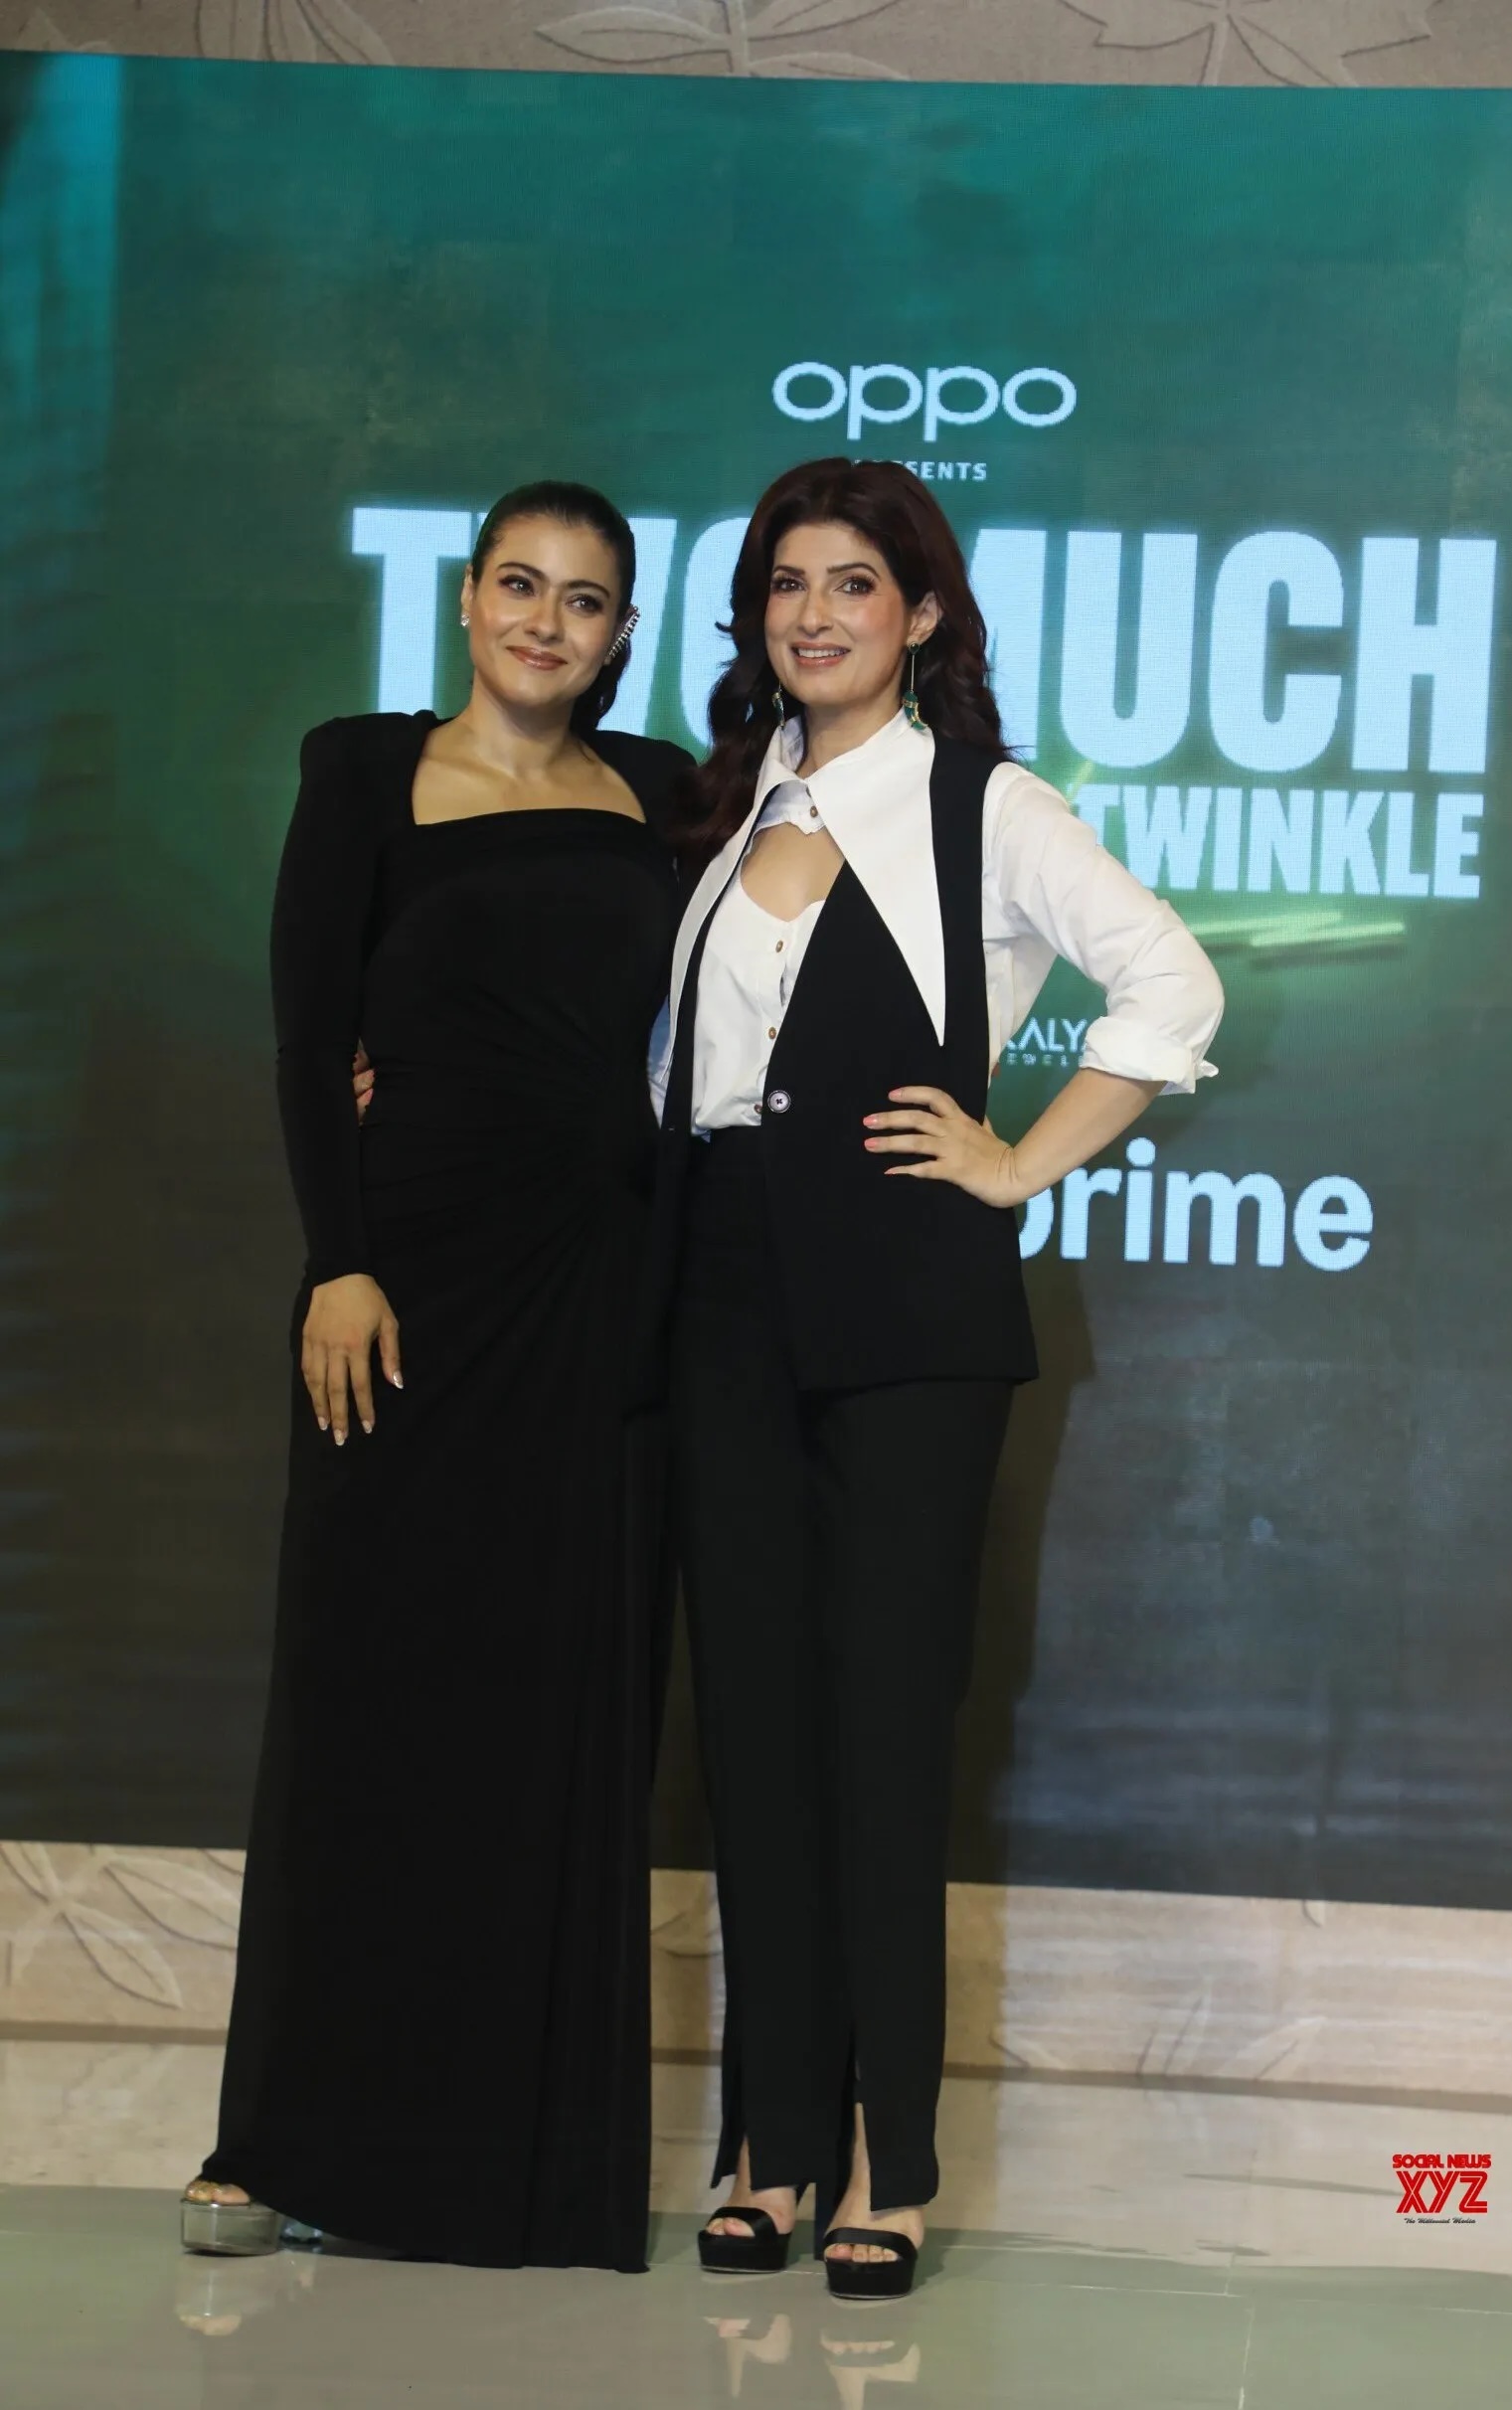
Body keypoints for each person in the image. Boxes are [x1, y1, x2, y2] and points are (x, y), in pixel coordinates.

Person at [648, 457, 1223, 2301]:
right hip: (718, 1305)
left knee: (885, 1735)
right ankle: (768, 2146)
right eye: (785, 584)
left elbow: (1173, 986)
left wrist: (1019, 1159)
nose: (814, 614)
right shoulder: (721, 804)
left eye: (853, 584)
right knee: (753, 1735)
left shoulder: (984, 802)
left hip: (909, 1315)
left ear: (922, 616)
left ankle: (889, 2163)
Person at [182, 480, 691, 2272]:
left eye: (585, 599)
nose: (548, 621)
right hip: (404, 1285)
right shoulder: (362, 772)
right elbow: (307, 1034)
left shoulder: (670, 795)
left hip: (597, 1295)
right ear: (467, 600)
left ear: (622, 634)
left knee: (554, 1709)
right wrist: (339, 1258)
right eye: (520, 586)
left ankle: (526, 2169)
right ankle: (278, 2143)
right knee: (364, 1694)